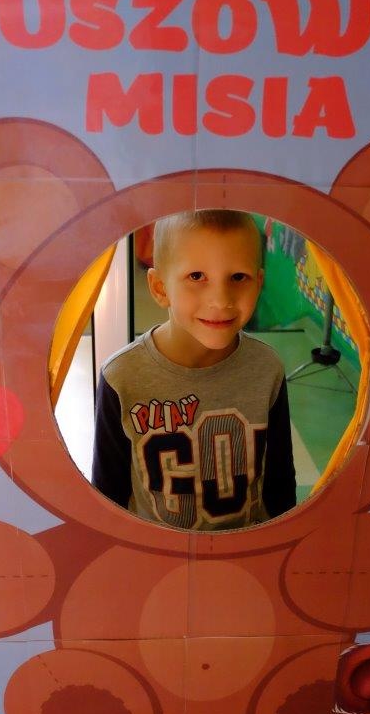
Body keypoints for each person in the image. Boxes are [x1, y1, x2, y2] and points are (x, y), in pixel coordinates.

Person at [91, 210, 296, 531]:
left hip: (247, 553)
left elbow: (280, 484)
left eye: (238, 277)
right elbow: (107, 496)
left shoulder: (267, 369)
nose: (220, 300)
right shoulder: (121, 377)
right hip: (154, 555)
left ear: (259, 283)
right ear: (160, 288)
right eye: (197, 276)